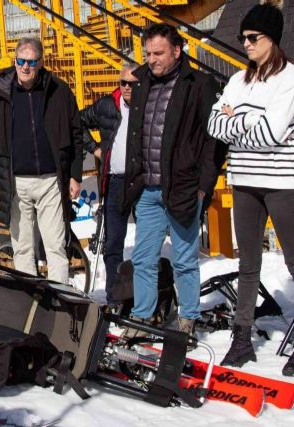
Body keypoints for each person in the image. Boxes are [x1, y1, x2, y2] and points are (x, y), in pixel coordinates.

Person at [207, 0, 294, 375]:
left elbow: (272, 133)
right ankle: (242, 337)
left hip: (282, 183)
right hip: (243, 181)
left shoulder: (289, 79)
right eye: (243, 37)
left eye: (253, 37)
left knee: (293, 261)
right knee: (247, 263)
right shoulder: (237, 80)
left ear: (272, 39)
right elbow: (214, 125)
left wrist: (236, 119)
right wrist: (246, 122)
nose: (246, 43)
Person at [121, 23, 223, 335]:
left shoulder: (199, 84)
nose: (152, 59)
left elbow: (214, 140)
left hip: (183, 188)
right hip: (148, 189)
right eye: (148, 53)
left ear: (177, 51)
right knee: (143, 259)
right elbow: (136, 135)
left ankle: (187, 320)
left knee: (184, 261)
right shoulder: (141, 84)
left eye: (159, 53)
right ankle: (142, 318)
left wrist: (204, 187)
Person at [0, 37, 84, 284]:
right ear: (14, 61)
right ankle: (30, 301)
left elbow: (76, 134)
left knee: (55, 245)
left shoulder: (59, 90)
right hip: (16, 182)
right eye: (21, 61)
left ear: (41, 62)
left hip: (50, 180)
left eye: (31, 62)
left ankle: (60, 297)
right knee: (22, 247)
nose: (25, 67)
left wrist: (75, 175)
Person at [80, 63, 138, 304]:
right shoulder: (107, 104)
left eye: (132, 84)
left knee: (146, 242)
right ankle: (114, 297)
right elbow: (79, 120)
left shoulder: (149, 105)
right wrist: (94, 148)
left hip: (142, 181)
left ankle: (143, 296)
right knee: (113, 242)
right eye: (123, 82)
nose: (127, 88)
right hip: (114, 181)